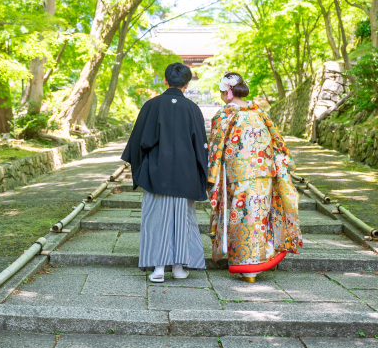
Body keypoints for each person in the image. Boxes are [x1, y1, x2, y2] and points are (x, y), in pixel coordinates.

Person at [207, 72, 303, 282]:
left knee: (241, 219)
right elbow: (278, 143)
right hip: (264, 175)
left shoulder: (224, 115)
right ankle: (259, 261)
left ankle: (245, 265)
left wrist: (212, 174)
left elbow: (215, 149)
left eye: (222, 92)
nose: (222, 97)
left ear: (228, 92)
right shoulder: (261, 113)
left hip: (238, 176)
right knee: (259, 217)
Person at [121, 63, 208, 283]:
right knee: (182, 220)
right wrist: (202, 177)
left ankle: (158, 268)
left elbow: (138, 144)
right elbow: (201, 146)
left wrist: (142, 173)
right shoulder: (193, 109)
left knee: (155, 220)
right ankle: (179, 268)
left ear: (165, 81)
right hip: (185, 175)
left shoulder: (151, 105)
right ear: (187, 85)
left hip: (155, 174)